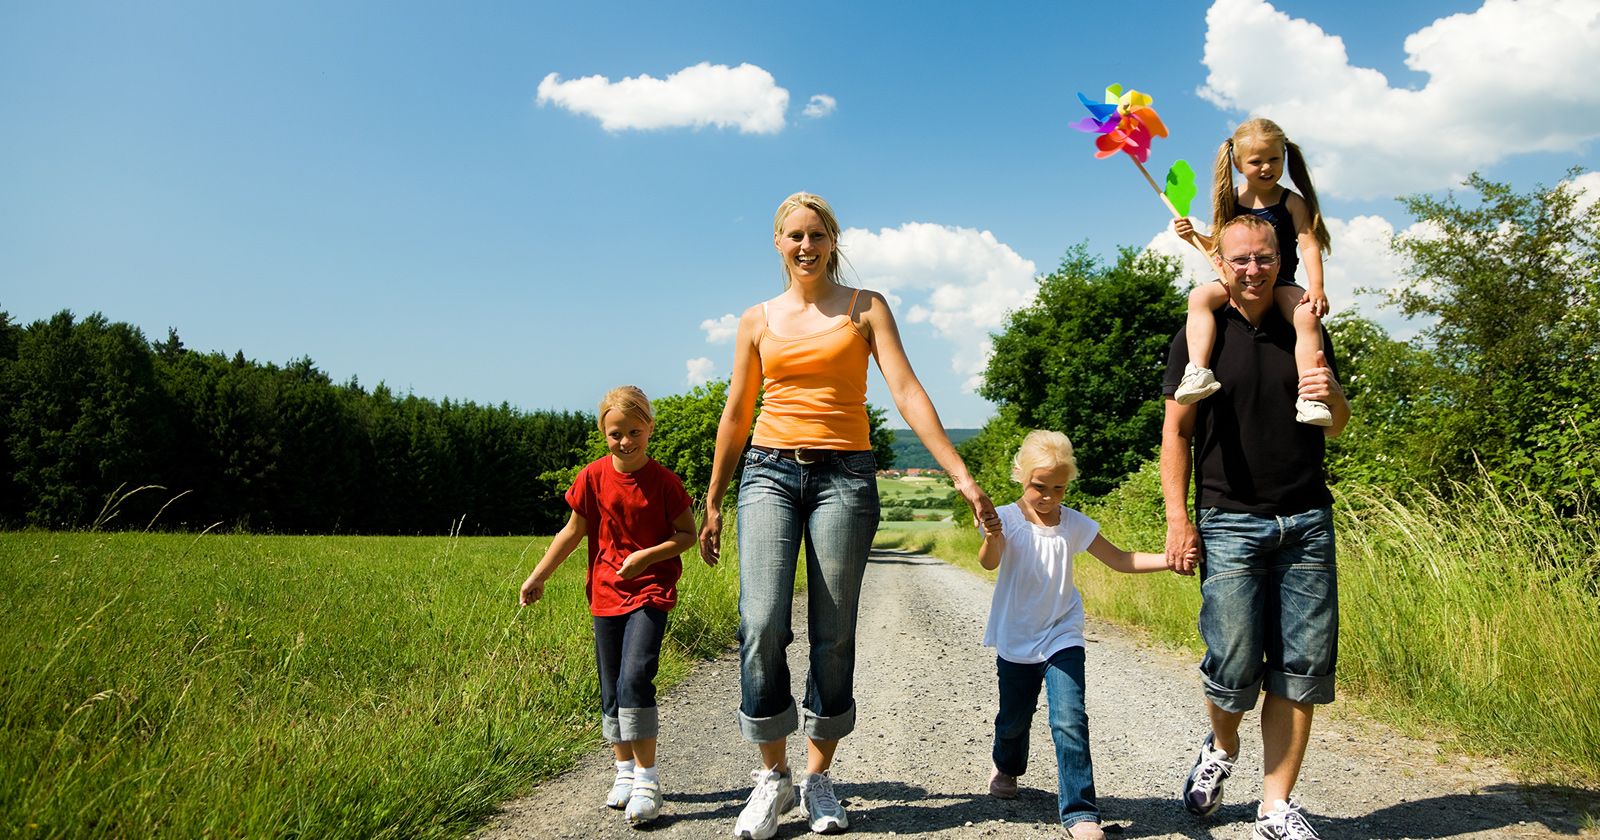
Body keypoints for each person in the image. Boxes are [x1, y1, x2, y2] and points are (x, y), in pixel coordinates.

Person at [698, 192, 997, 839]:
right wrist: (714, 496)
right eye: (794, 236)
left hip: (845, 477)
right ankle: (773, 777)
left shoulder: (866, 308)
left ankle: (818, 776)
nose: (806, 246)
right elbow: (735, 413)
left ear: (832, 240)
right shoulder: (755, 320)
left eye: (817, 235)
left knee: (833, 632)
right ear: (778, 243)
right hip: (768, 471)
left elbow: (907, 389)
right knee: (761, 622)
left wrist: (960, 473)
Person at [1160, 215, 1350, 840]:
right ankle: (1221, 746)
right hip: (1229, 519)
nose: (1252, 269)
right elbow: (1177, 433)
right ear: (1221, 262)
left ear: (1279, 259)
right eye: (1239, 259)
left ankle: (1275, 806)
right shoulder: (1198, 335)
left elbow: (1337, 420)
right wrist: (1179, 520)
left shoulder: (1305, 324)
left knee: (1301, 667)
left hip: (1306, 519)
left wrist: (1333, 396)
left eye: (1264, 258)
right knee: (1235, 662)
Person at [977, 430, 1188, 840]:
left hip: (1062, 634)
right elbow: (989, 562)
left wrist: (1170, 559)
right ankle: (1005, 766)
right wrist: (992, 536)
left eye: (1059, 487)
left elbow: (1121, 560)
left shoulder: (1073, 523)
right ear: (1020, 474)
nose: (1049, 496)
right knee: (1014, 720)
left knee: (1070, 719)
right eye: (1040, 487)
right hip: (1017, 638)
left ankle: (1080, 812)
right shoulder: (1004, 518)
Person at [518, 385, 703, 827]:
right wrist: (538, 575)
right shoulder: (592, 477)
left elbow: (687, 536)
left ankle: (647, 779)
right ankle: (622, 772)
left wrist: (646, 557)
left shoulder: (664, 482)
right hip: (604, 594)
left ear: (650, 429)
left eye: (634, 431)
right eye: (615, 433)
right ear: (603, 432)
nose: (625, 441)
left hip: (649, 591)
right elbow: (572, 531)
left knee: (635, 678)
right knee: (611, 686)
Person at [1171, 118, 1334, 427]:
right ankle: (1198, 371)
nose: (1266, 167)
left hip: (1280, 282)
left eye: (1274, 159)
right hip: (1235, 283)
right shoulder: (1229, 199)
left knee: (1306, 315)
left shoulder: (1291, 202)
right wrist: (1191, 235)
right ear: (1237, 162)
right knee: (1200, 297)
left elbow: (1310, 245)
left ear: (1285, 156)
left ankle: (1310, 396)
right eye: (1256, 161)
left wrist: (1317, 286)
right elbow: (1217, 249)